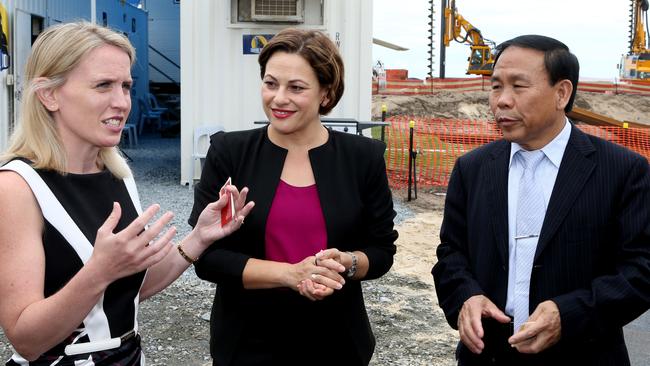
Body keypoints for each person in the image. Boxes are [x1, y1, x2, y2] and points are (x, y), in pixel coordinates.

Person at [0, 22, 254, 365]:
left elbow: (130, 288)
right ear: (49, 94)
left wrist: (199, 238)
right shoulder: (16, 187)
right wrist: (99, 271)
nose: (121, 102)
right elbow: (26, 338)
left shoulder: (117, 174)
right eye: (103, 85)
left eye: (126, 86)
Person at [432, 34, 650, 365]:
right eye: (495, 86)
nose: (502, 101)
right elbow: (451, 254)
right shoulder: (472, 169)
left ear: (561, 93)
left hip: (584, 354)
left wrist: (569, 314)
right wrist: (467, 296)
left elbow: (641, 269)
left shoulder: (622, 171)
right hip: (486, 356)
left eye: (518, 87)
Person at [189, 27, 398, 365]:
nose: (279, 98)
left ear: (326, 94)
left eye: (296, 88)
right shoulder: (230, 153)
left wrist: (347, 263)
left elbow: (382, 251)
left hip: (337, 343)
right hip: (246, 344)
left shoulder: (363, 158)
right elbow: (208, 257)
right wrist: (290, 274)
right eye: (270, 84)